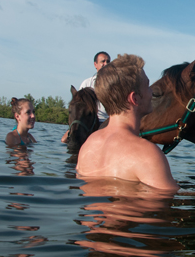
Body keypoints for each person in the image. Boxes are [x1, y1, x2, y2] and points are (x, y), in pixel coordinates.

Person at [76, 54, 179, 191]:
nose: (151, 92)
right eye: (148, 86)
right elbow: (164, 204)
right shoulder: (147, 154)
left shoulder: (88, 145)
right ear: (135, 98)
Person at [61, 51, 110, 143]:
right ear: (95, 64)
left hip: (106, 121)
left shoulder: (114, 85)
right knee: (64, 140)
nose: (106, 64)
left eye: (108, 62)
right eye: (103, 61)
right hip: (88, 120)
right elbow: (79, 106)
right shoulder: (87, 83)